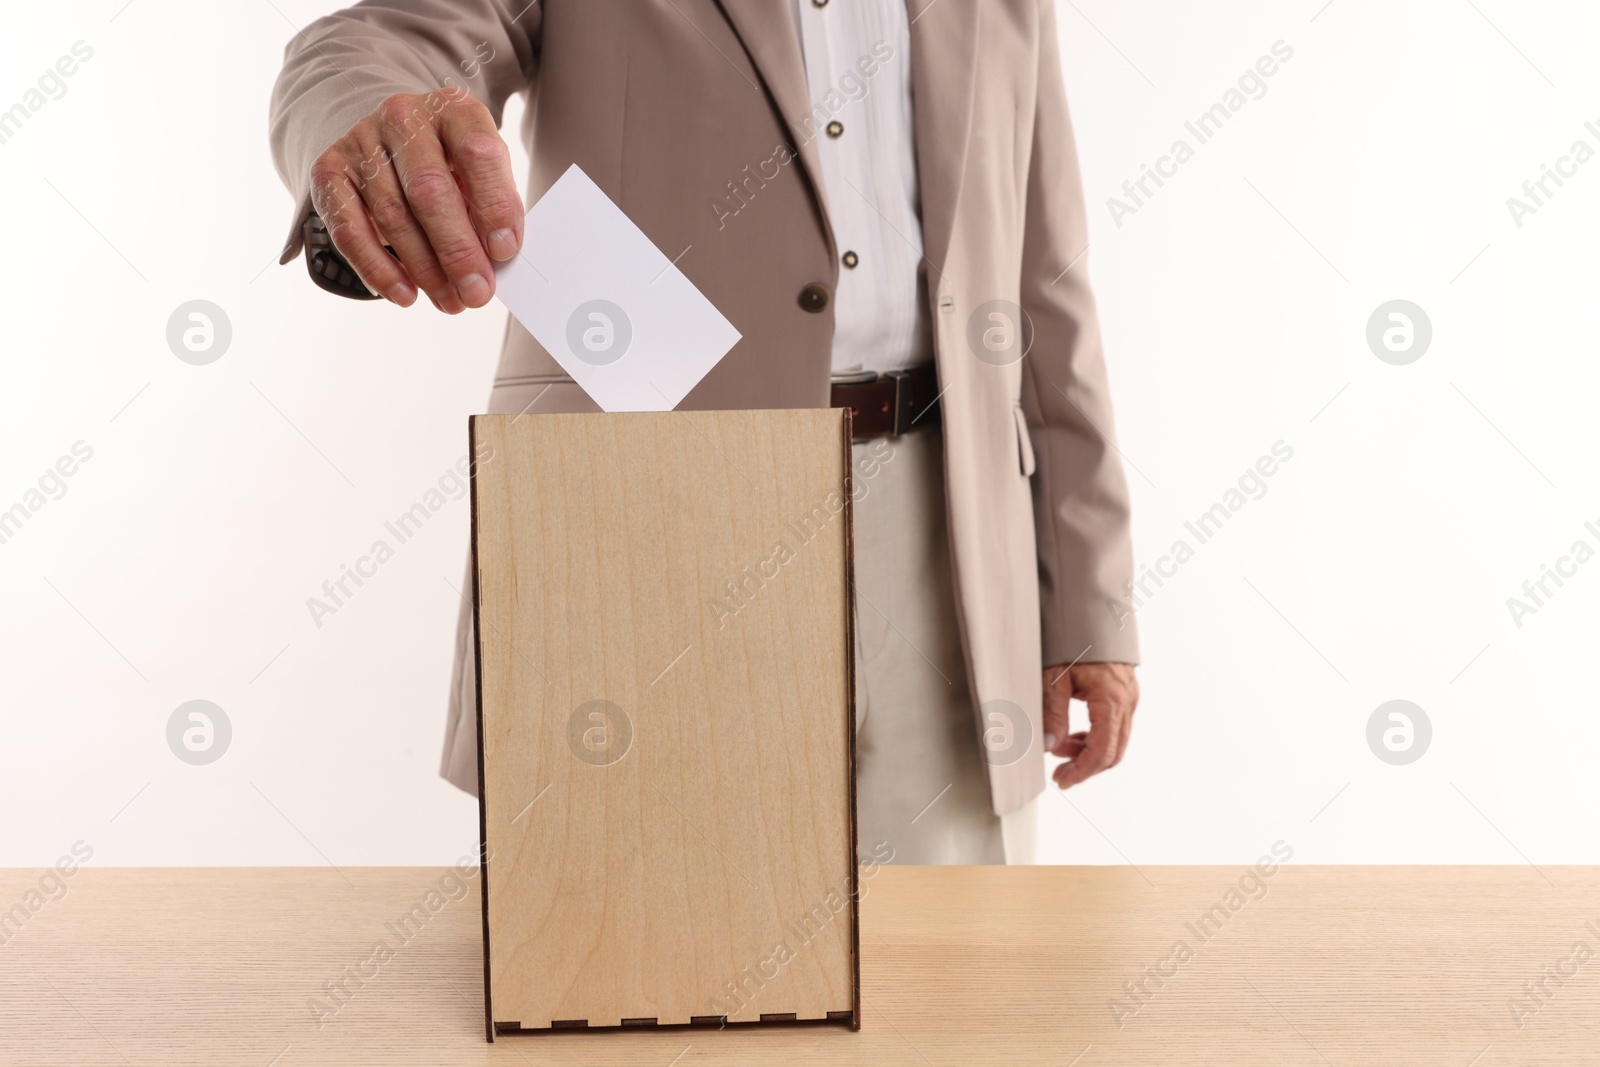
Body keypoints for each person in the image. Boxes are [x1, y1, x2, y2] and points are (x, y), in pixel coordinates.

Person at [269, 0, 1140, 865]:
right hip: (648, 510)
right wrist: (368, 117)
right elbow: (370, 41)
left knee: (956, 973)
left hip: (954, 536)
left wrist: (1090, 605)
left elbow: (1046, 279)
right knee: (633, 964)